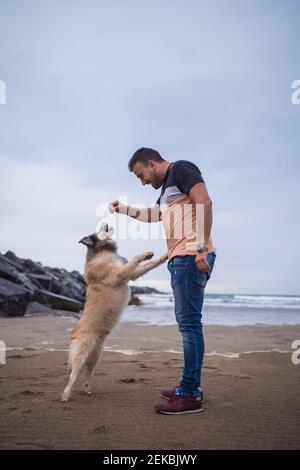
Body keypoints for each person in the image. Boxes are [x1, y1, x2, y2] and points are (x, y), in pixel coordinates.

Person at [109, 147, 216, 415]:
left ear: (151, 163)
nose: (142, 181)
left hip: (191, 256)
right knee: (188, 325)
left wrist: (201, 247)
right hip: (182, 258)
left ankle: (190, 394)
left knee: (190, 326)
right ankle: (188, 387)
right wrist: (123, 210)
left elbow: (204, 201)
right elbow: (153, 215)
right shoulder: (167, 188)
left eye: (140, 175)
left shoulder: (181, 168)